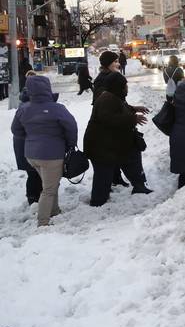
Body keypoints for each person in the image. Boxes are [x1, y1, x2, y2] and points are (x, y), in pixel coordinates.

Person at [10, 76, 77, 226]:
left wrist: (30, 138)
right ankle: (43, 222)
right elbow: (71, 128)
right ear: (47, 88)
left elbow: (16, 130)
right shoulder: (57, 108)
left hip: (31, 155)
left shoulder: (24, 108)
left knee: (51, 184)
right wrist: (70, 144)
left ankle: (54, 210)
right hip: (51, 155)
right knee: (48, 189)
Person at [84, 72, 152, 206]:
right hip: (101, 147)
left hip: (112, 144)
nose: (127, 87)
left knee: (131, 157)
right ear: (119, 86)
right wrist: (133, 118)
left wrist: (134, 109)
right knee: (103, 174)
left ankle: (139, 186)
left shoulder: (114, 97)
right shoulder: (106, 99)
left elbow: (120, 109)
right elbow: (108, 118)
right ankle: (98, 202)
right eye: (125, 85)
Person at [12, 74, 43, 205]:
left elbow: (15, 130)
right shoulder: (33, 107)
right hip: (33, 147)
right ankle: (36, 198)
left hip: (24, 147)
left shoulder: (23, 107)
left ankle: (33, 198)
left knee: (33, 174)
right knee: (37, 174)